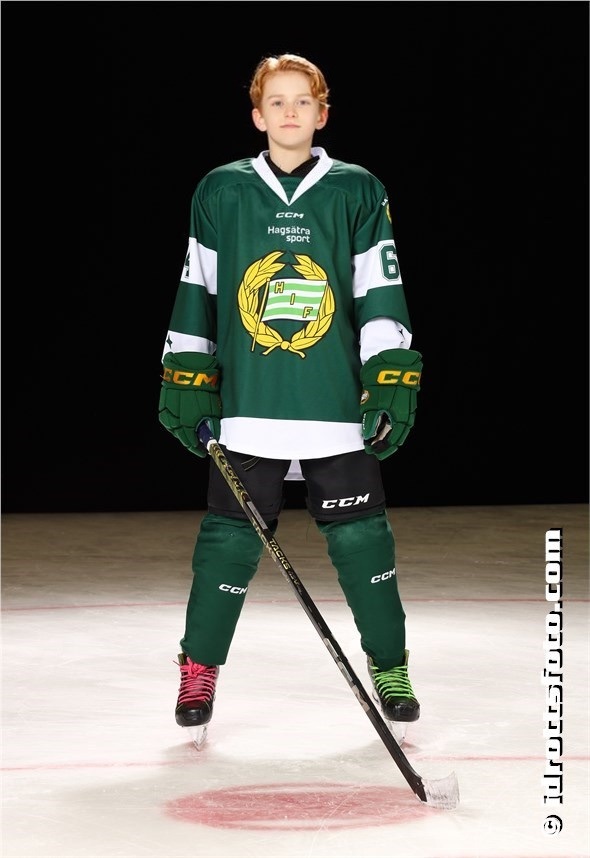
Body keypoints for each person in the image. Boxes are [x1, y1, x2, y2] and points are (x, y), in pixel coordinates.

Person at [158, 53, 423, 746]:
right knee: (225, 546)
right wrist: (186, 376)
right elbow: (197, 288)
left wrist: (388, 375)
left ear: (322, 113)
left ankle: (390, 666)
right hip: (249, 402)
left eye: (302, 101)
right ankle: (198, 669)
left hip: (335, 403)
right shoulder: (221, 190)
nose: (289, 112)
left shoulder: (357, 189)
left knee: (365, 542)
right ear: (257, 115)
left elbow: (379, 290)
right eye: (275, 102)